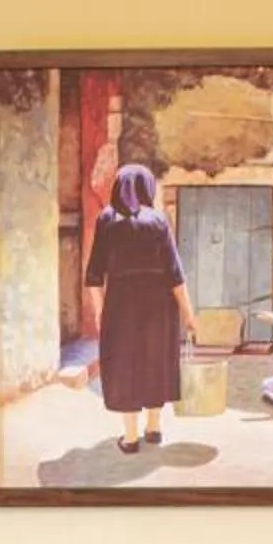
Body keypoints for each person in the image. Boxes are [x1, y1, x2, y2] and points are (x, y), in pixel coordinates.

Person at [83, 164, 196, 453]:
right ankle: (154, 428)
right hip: (159, 308)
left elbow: (94, 274)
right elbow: (175, 273)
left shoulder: (106, 219)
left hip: (121, 308)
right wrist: (188, 313)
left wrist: (100, 311)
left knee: (124, 365)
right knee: (156, 361)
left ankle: (131, 437)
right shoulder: (158, 221)